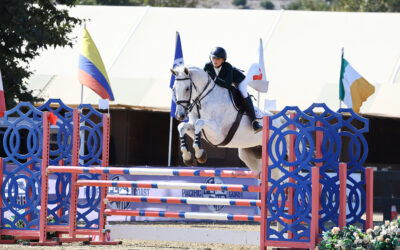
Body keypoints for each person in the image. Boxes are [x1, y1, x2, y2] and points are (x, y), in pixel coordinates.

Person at [203, 46, 263, 133]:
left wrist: (215, 79)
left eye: (218, 59)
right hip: (225, 81)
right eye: (213, 58)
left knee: (243, 93)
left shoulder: (228, 67)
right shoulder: (207, 66)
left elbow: (227, 85)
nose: (215, 61)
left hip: (239, 80)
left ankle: (254, 121)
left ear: (223, 60)